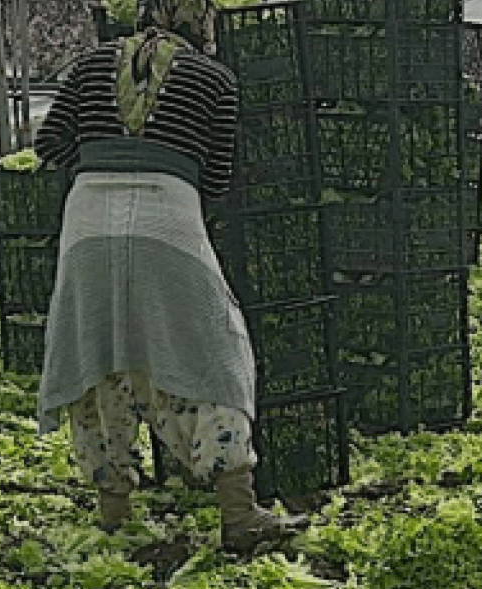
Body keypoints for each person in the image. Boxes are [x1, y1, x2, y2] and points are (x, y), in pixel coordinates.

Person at [33, 0, 302, 553]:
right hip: (168, 221)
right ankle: (238, 510)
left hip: (88, 224)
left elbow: (49, 144)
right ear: (199, 21)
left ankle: (114, 510)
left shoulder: (90, 63)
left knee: (98, 355)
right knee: (217, 355)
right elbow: (218, 177)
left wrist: (106, 156)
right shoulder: (216, 79)